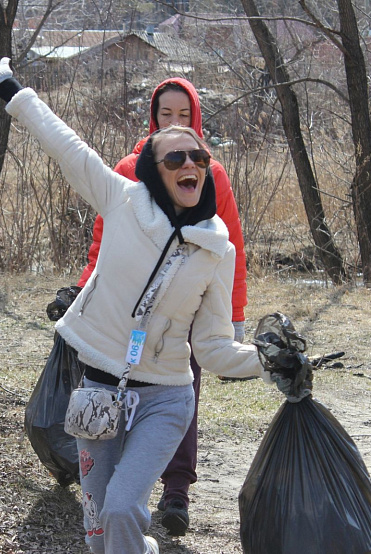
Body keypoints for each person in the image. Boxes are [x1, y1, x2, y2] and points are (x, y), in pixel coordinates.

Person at [0, 59, 286, 554]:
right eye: (175, 158)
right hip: (97, 392)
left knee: (121, 509)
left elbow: (213, 348)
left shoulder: (217, 247)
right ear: (153, 171)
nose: (190, 164)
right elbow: (64, 144)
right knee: (97, 534)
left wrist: (271, 360)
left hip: (165, 399)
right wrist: (10, 90)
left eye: (197, 156)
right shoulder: (122, 199)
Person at [76, 77, 248, 536]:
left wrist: (235, 318)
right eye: (165, 115)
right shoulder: (129, 172)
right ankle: (124, 500)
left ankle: (176, 489)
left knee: (178, 394)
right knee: (101, 516)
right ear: (153, 118)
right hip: (118, 332)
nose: (174, 122)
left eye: (184, 116)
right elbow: (102, 240)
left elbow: (229, 247)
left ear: (197, 119)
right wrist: (83, 289)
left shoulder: (210, 173)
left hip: (183, 317)